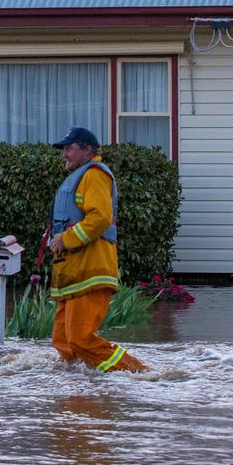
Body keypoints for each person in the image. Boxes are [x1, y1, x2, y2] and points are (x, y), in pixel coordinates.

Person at [46, 126, 148, 373]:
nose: (64, 155)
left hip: (91, 270)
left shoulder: (94, 175)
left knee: (80, 339)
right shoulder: (81, 177)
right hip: (72, 273)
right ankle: (78, 391)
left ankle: (137, 374)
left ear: (87, 149)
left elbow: (100, 218)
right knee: (63, 342)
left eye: (69, 148)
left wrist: (66, 239)